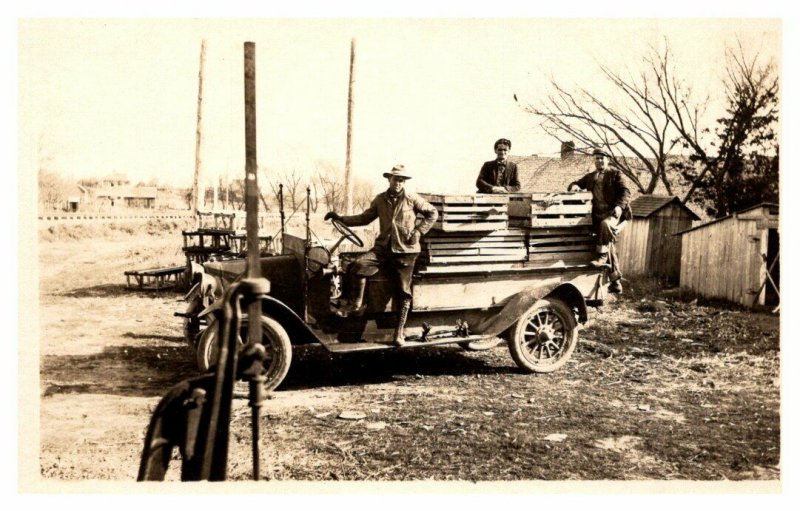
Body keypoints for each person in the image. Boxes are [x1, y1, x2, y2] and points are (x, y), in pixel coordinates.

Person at [324, 165, 438, 346]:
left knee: (403, 292)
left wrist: (418, 232)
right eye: (395, 179)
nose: (398, 183)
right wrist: (340, 218)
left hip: (405, 251)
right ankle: (355, 305)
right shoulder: (380, 199)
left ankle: (398, 333)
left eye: (402, 180)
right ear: (389, 179)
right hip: (383, 249)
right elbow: (364, 218)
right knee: (358, 264)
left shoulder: (411, 198)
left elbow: (433, 212)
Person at [568, 147, 632, 294]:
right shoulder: (591, 177)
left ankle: (602, 257)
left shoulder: (615, 174)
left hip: (615, 214)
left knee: (605, 225)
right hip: (597, 216)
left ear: (608, 160)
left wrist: (619, 207)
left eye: (602, 158)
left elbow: (625, 191)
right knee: (607, 240)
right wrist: (575, 186)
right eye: (596, 158)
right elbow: (575, 184)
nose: (599, 161)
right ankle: (616, 282)